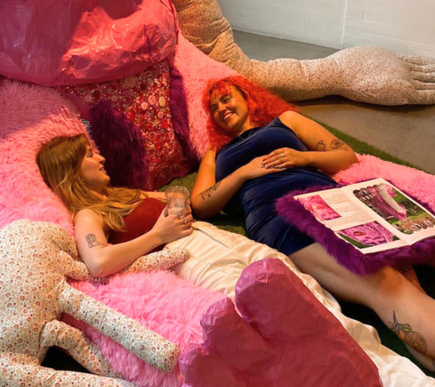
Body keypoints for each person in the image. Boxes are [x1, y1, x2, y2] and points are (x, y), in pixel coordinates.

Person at [36, 133, 435, 383]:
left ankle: (402, 377)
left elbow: (177, 203)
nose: (100, 157)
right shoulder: (88, 214)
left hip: (222, 242)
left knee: (317, 303)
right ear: (71, 170)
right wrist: (158, 234)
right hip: (195, 259)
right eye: (89, 155)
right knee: (289, 319)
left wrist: (175, 206)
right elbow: (98, 263)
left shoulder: (121, 194)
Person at [192, 74, 435, 371]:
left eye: (226, 98)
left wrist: (302, 158)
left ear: (247, 97)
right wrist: (244, 172)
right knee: (384, 283)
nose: (221, 108)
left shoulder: (285, 121)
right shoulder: (217, 152)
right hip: (280, 216)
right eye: (214, 107)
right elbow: (200, 203)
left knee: (408, 283)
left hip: (336, 205)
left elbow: (345, 155)